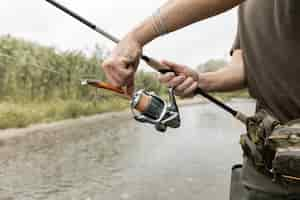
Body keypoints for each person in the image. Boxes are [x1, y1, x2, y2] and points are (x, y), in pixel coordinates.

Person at [102, 0, 300, 199]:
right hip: (263, 171)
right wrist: (202, 82)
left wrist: (137, 37)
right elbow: (244, 69)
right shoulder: (246, 6)